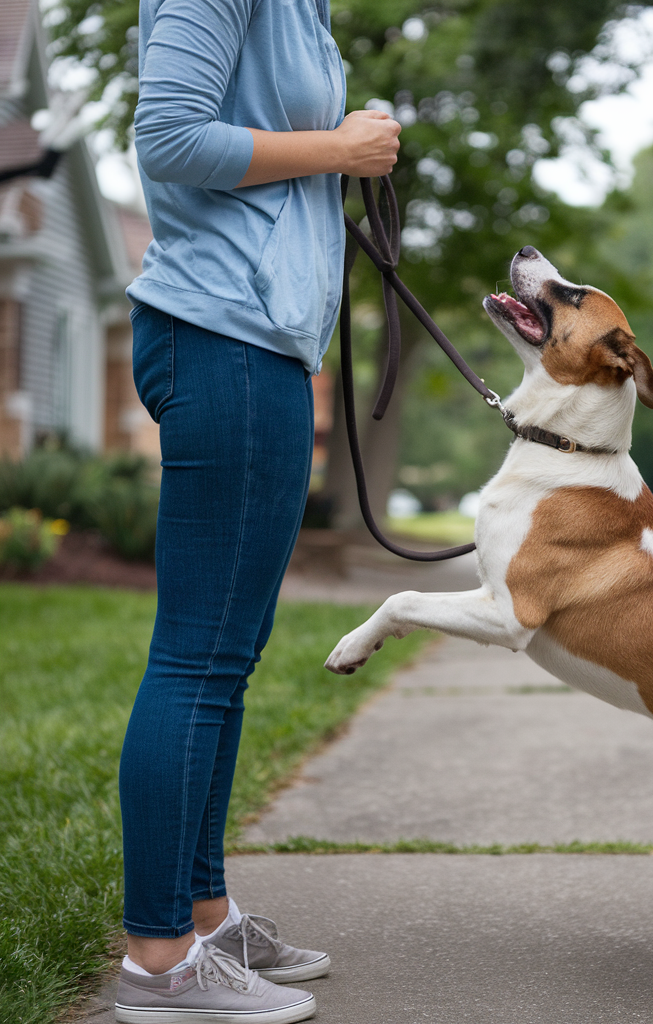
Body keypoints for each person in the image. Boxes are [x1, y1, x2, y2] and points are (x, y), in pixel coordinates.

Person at [113, 1, 400, 1020]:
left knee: (223, 656)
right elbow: (172, 138)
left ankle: (202, 915)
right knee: (197, 655)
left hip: (251, 339)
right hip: (222, 335)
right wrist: (342, 145)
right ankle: (160, 965)